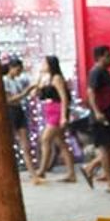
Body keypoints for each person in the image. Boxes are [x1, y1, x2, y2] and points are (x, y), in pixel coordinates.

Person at [81, 44, 110, 194]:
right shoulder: (96, 72)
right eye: (108, 55)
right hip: (102, 116)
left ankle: (90, 168)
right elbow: (91, 92)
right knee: (105, 148)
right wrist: (97, 112)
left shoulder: (105, 72)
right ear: (100, 57)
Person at [30, 54, 76, 184]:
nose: (42, 66)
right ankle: (71, 173)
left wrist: (63, 116)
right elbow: (35, 93)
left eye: (44, 63)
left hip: (57, 111)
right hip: (49, 111)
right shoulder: (47, 79)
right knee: (61, 143)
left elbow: (64, 97)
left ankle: (42, 170)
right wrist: (39, 77)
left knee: (45, 139)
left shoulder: (56, 78)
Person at [2, 57, 37, 175]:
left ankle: (33, 173)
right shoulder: (5, 80)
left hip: (18, 110)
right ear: (11, 68)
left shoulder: (17, 81)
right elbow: (9, 100)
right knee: (11, 142)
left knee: (25, 143)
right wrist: (25, 93)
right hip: (11, 111)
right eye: (18, 70)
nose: (19, 72)